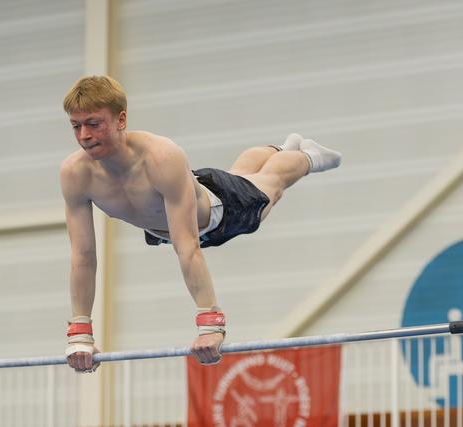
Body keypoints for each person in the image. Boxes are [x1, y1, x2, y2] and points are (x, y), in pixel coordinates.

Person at [60, 75, 341, 373]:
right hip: (179, 206)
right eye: (76, 126)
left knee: (271, 186)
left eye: (93, 123)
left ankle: (307, 156)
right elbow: (83, 256)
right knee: (242, 175)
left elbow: (187, 246)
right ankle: (280, 149)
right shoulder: (75, 173)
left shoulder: (160, 157)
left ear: (121, 119)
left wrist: (210, 322)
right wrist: (81, 333)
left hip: (219, 212)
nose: (84, 136)